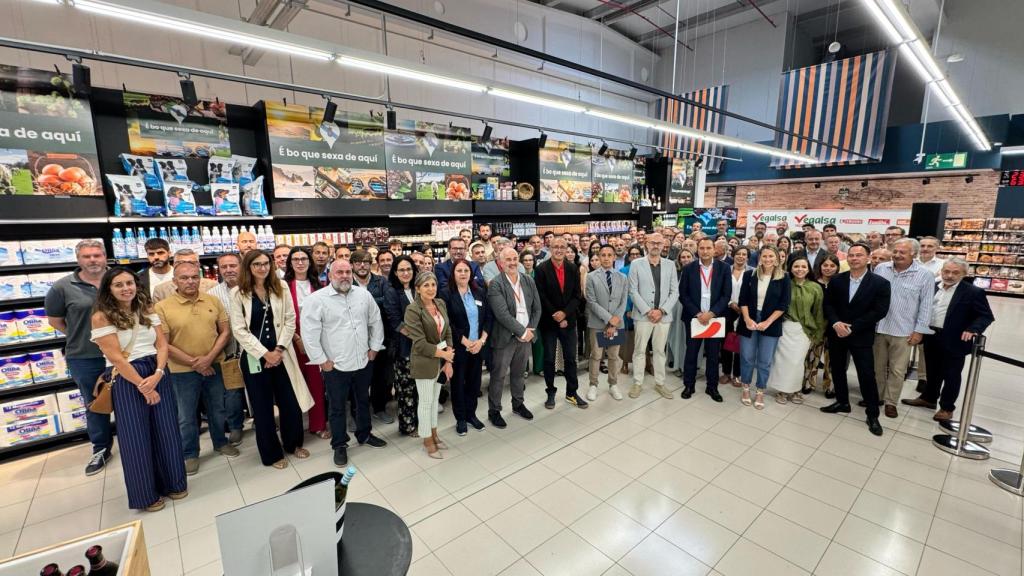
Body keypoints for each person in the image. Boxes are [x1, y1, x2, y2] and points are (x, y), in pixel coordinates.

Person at [90, 267, 187, 511]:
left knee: (167, 430)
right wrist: (144, 386)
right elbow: (116, 358)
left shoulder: (146, 308)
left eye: (129, 283)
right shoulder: (101, 317)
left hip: (156, 370)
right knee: (136, 438)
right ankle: (146, 495)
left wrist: (159, 373)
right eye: (119, 284)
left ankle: (174, 483)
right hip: (127, 377)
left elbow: (162, 344)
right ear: (109, 289)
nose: (126, 288)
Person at [229, 250, 314, 469]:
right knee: (263, 408)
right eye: (257, 264)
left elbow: (290, 320)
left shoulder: (281, 286)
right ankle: (271, 454)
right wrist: (265, 354)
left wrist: (278, 350)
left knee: (290, 402)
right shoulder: (238, 293)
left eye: (266, 263)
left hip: (282, 353)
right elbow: (239, 330)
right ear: (248, 267)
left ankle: (293, 443)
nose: (263, 268)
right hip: (255, 358)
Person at [301, 259, 388, 467]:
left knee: (362, 400)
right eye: (339, 272)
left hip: (363, 360)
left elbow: (375, 321)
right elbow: (309, 334)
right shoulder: (317, 300)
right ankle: (339, 444)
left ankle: (364, 434)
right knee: (337, 406)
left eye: (348, 272)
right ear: (330, 275)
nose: (344, 276)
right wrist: (322, 361)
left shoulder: (363, 295)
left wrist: (375, 348)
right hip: (335, 365)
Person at [155, 261, 237, 476]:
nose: (190, 281)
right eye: (184, 278)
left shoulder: (212, 300)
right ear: (175, 281)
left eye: (194, 277)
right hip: (182, 372)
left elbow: (225, 332)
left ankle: (220, 442)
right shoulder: (162, 307)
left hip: (214, 365)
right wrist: (197, 363)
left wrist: (208, 359)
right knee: (186, 415)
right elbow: (163, 344)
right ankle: (190, 453)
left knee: (218, 409)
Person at [45, 239, 113, 475]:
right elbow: (55, 321)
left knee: (129, 401)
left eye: (97, 255)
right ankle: (101, 448)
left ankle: (135, 442)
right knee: (95, 404)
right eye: (87, 256)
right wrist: (82, 336)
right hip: (85, 356)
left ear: (105, 256)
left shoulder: (118, 279)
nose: (93, 260)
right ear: (78, 259)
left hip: (124, 353)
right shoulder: (62, 287)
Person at [902, 258, 994, 421]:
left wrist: (973, 329)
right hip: (931, 335)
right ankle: (929, 398)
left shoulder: (973, 292)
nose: (949, 275)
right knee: (932, 370)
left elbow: (986, 316)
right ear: (941, 271)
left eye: (955, 272)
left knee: (951, 374)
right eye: (946, 271)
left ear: (964, 274)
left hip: (955, 339)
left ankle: (947, 407)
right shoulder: (933, 287)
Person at [820, 243, 891, 436]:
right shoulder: (837, 280)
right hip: (837, 333)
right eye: (851, 255)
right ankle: (842, 402)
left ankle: (872, 414)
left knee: (866, 374)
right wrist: (836, 323)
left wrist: (853, 327)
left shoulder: (880, 283)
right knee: (837, 368)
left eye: (859, 255)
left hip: (861, 335)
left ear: (868, 258)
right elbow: (828, 304)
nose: (854, 258)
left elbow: (879, 311)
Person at [872, 238, 935, 418]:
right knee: (877, 367)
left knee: (897, 370)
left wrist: (919, 331)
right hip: (879, 327)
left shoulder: (925, 275)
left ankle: (891, 402)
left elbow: (926, 305)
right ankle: (876, 397)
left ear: (913, 254)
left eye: (902, 252)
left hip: (904, 331)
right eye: (895, 251)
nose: (897, 255)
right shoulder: (881, 269)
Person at [487, 247, 542, 428]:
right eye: (508, 260)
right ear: (500, 263)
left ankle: (518, 404)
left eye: (514, 259)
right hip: (505, 338)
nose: (512, 263)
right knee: (499, 376)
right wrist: (522, 332)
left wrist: (530, 330)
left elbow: (537, 308)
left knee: (519, 374)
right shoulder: (496, 284)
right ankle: (494, 410)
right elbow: (502, 314)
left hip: (526, 337)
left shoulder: (528, 280)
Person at [402, 272, 454, 458]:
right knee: (425, 403)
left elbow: (447, 331)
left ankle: (434, 433)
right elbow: (420, 343)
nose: (431, 289)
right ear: (417, 289)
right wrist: (444, 354)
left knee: (434, 401)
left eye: (433, 284)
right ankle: (427, 440)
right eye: (426, 285)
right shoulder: (413, 310)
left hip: (441, 361)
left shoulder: (440, 303)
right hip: (424, 362)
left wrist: (448, 360)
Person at [534, 237, 588, 409]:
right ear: (550, 248)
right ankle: (550, 391)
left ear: (567, 249)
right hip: (549, 322)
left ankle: (572, 393)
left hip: (569, 320)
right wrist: (556, 315)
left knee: (570, 359)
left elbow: (577, 295)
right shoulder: (541, 269)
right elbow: (541, 296)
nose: (559, 250)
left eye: (562, 247)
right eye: (555, 247)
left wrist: (565, 314)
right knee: (549, 359)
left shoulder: (573, 268)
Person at [283, 247, 329, 439]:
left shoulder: (319, 285)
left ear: (310, 262)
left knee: (316, 383)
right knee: (293, 384)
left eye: (304, 259)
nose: (300, 262)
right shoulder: (283, 286)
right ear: (290, 263)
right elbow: (281, 317)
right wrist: (297, 338)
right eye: (296, 259)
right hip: (290, 340)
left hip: (316, 340)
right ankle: (294, 428)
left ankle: (318, 424)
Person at [626, 233, 679, 400]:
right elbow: (632, 290)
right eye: (653, 242)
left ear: (664, 245)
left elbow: (674, 292)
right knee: (639, 350)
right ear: (646, 244)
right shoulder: (636, 264)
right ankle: (637, 382)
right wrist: (648, 311)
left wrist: (661, 311)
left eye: (659, 243)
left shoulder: (670, 265)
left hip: (663, 316)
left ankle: (660, 383)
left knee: (659, 351)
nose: (656, 245)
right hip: (643, 316)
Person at [736, 246, 790, 409]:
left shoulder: (784, 277)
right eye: (764, 256)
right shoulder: (749, 275)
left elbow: (783, 304)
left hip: (771, 321)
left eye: (771, 256)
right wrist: (747, 319)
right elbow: (743, 300)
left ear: (777, 259)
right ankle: (746, 387)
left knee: (765, 360)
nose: (767, 259)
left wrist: (768, 322)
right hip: (750, 319)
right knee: (747, 357)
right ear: (759, 258)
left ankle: (760, 391)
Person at [679, 238, 732, 402]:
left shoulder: (724, 268)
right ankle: (689, 385)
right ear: (698, 250)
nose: (705, 251)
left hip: (714, 319)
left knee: (713, 354)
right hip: (694, 318)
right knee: (691, 353)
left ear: (714, 249)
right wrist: (697, 313)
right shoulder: (688, 268)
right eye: (702, 248)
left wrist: (712, 313)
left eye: (708, 248)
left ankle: (712, 387)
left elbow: (726, 295)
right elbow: (683, 295)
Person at [443, 259, 491, 435]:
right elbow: (448, 323)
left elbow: (488, 318)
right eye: (459, 270)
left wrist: (481, 341)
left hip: (477, 347)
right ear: (453, 273)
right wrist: (464, 341)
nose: (463, 274)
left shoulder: (479, 292)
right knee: (458, 384)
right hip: (458, 348)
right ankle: (461, 419)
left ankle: (471, 415)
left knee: (474, 383)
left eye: (466, 270)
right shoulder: (446, 294)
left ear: (471, 273)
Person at [769, 256, 823, 404]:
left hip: (804, 331)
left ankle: (795, 390)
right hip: (785, 327)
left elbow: (818, 312)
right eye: (796, 266)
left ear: (808, 269)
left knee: (797, 362)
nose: (800, 269)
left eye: (803, 267)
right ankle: (781, 390)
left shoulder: (815, 287)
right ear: (791, 268)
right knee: (782, 361)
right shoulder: (784, 284)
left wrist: (817, 334)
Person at [207, 253, 246, 445]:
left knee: (260, 388)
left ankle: (265, 420)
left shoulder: (252, 287)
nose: (229, 270)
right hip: (230, 350)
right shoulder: (213, 295)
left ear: (241, 266)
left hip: (256, 348)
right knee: (233, 391)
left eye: (233, 265)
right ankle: (236, 427)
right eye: (224, 267)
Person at [351, 249, 392, 424]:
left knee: (380, 377)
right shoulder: (347, 282)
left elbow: (388, 302)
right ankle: (356, 414)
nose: (362, 266)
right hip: (355, 339)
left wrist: (364, 303)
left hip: (379, 336)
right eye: (358, 262)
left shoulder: (381, 281)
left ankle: (379, 408)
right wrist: (376, 301)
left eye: (366, 262)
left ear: (371, 264)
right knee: (357, 380)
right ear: (352, 265)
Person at [584, 245, 629, 401]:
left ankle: (613, 384)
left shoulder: (622, 277)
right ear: (599, 257)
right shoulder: (591, 277)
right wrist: (609, 319)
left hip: (616, 323)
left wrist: (614, 323)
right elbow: (591, 301)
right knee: (596, 355)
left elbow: (623, 301)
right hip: (597, 323)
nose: (606, 258)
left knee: (613, 356)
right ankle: (593, 385)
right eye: (603, 255)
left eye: (610, 255)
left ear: (614, 257)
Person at [383, 255, 419, 436]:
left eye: (409, 269)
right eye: (401, 270)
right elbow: (395, 321)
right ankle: (408, 425)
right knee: (406, 390)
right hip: (404, 347)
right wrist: (419, 338)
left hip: (422, 349)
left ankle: (421, 422)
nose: (406, 273)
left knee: (421, 388)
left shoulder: (418, 288)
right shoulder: (391, 292)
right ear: (395, 273)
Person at [805, 254, 841, 397]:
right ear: (820, 267)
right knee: (812, 356)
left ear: (837, 267)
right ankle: (808, 383)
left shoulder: (841, 283)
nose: (828, 268)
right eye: (825, 265)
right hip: (816, 326)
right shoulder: (812, 283)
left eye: (832, 266)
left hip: (834, 326)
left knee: (831, 359)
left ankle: (829, 387)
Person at [720, 246, 750, 387]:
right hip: (727, 310)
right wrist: (730, 303)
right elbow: (720, 289)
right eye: (738, 253)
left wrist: (743, 306)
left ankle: (737, 374)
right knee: (726, 342)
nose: (741, 256)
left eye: (744, 254)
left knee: (741, 344)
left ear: (747, 257)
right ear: (733, 255)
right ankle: (726, 372)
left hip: (745, 311)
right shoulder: (725, 270)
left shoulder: (752, 272)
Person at [666, 248, 695, 374]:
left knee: (689, 338)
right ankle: (676, 363)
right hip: (676, 307)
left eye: (688, 256)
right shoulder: (674, 272)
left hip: (692, 308)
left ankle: (688, 365)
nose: (686, 259)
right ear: (679, 259)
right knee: (675, 336)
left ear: (693, 258)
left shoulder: (698, 271)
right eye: (683, 257)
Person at [151, 249, 218, 302]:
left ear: (198, 265)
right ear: (174, 265)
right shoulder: (161, 291)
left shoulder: (212, 286)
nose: (186, 267)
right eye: (181, 263)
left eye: (191, 263)